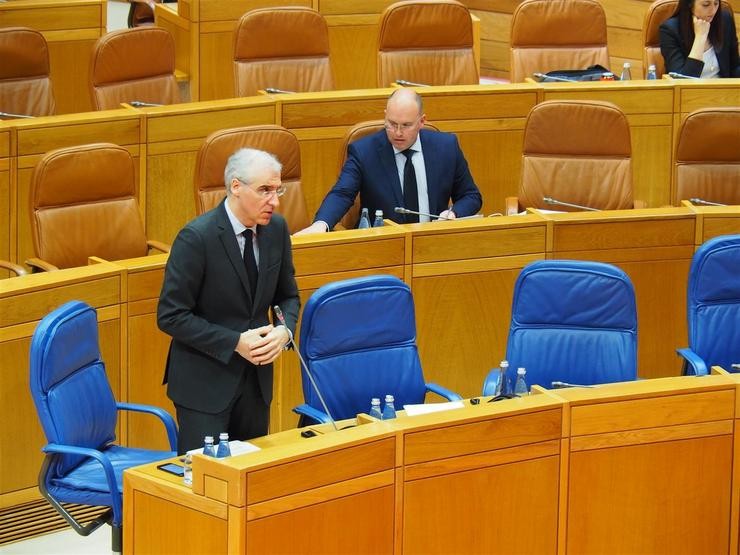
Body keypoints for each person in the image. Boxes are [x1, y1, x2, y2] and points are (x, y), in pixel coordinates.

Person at [157, 148, 300, 454]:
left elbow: (288, 296)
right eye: (264, 190)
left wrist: (284, 332)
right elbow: (171, 315)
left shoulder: (276, 229)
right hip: (204, 385)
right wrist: (235, 342)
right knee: (205, 485)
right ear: (236, 187)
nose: (274, 200)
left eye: (277, 190)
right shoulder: (197, 238)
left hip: (256, 383)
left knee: (248, 481)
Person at [295, 88, 482, 234]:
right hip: (385, 245)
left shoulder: (446, 147)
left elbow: (471, 196)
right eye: (392, 124)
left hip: (434, 242)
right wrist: (321, 224)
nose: (398, 132)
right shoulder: (364, 151)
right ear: (385, 115)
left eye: (406, 125)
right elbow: (342, 193)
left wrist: (453, 213)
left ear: (422, 121)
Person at [660, 0, 740, 78]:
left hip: (723, 90)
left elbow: (734, 67)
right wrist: (700, 37)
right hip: (691, 90)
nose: (713, 11)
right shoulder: (670, 30)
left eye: (716, 3)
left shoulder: (725, 20)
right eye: (706, 4)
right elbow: (682, 81)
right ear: (690, 4)